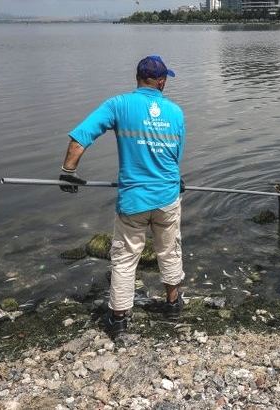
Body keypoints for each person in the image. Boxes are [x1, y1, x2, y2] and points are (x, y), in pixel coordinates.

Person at [58, 55, 186, 339]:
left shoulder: (118, 105)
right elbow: (174, 157)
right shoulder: (176, 112)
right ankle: (173, 304)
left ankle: (118, 318)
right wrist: (178, 181)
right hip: (167, 197)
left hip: (133, 201)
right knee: (170, 250)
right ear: (161, 81)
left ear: (138, 78)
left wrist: (68, 172)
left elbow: (80, 138)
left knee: (125, 258)